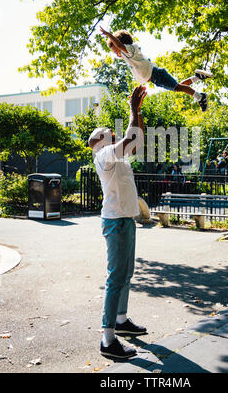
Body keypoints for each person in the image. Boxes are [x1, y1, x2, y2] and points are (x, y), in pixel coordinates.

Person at [88, 86, 147, 360]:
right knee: (115, 278)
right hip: (115, 223)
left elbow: (136, 138)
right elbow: (128, 138)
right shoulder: (104, 156)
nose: (111, 132)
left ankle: (121, 321)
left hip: (126, 220)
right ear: (99, 140)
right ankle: (107, 338)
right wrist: (132, 109)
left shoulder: (117, 157)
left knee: (126, 274)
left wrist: (139, 111)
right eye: (107, 132)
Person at [100, 27, 212, 112]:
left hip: (156, 75)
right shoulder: (129, 56)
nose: (117, 55)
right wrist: (138, 91)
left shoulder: (129, 49)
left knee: (177, 87)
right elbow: (140, 74)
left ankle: (200, 96)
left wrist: (108, 34)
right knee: (178, 87)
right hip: (155, 78)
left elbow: (119, 46)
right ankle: (197, 76)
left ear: (120, 44)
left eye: (116, 51)